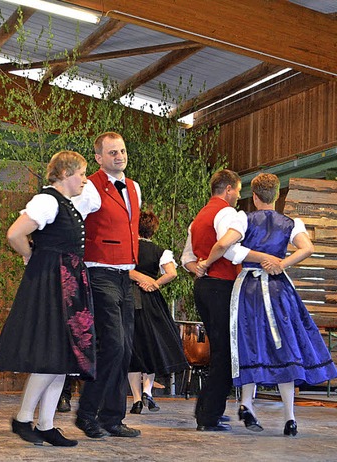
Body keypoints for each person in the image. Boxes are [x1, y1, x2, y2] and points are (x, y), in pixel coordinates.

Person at [197, 173, 337, 436]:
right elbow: (307, 248)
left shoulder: (243, 218)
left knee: (251, 343)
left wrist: (207, 262)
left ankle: (246, 403)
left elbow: (226, 244)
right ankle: (290, 417)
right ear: (278, 194)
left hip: (249, 287)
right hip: (278, 287)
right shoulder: (291, 222)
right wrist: (280, 263)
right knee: (284, 345)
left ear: (254, 195)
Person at [0, 151, 96, 447]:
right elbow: (15, 233)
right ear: (65, 173)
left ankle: (47, 423)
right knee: (51, 354)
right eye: (81, 174)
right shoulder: (48, 201)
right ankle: (23, 418)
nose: (85, 180)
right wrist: (30, 256)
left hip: (67, 282)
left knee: (63, 357)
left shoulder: (65, 204)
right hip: (53, 282)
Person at [71, 132, 142, 439]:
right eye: (112, 152)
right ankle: (87, 414)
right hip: (99, 275)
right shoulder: (90, 188)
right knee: (112, 345)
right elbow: (71, 216)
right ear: (99, 158)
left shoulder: (134, 187)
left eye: (122, 151)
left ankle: (113, 418)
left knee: (125, 350)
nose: (120, 156)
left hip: (126, 277)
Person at [181, 168, 244, 431]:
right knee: (226, 353)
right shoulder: (227, 212)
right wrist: (209, 262)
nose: (238, 197)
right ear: (228, 189)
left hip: (204, 286)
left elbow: (185, 257)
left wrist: (198, 266)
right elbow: (229, 246)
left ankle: (206, 409)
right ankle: (208, 416)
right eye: (238, 191)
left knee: (219, 350)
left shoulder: (199, 217)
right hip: (221, 285)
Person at [127, 211, 188, 414]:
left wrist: (140, 280)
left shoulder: (129, 247)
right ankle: (148, 391)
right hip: (151, 301)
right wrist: (154, 284)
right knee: (152, 345)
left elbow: (124, 270)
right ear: (153, 229)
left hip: (129, 299)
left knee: (134, 349)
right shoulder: (160, 251)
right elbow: (172, 273)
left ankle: (136, 399)